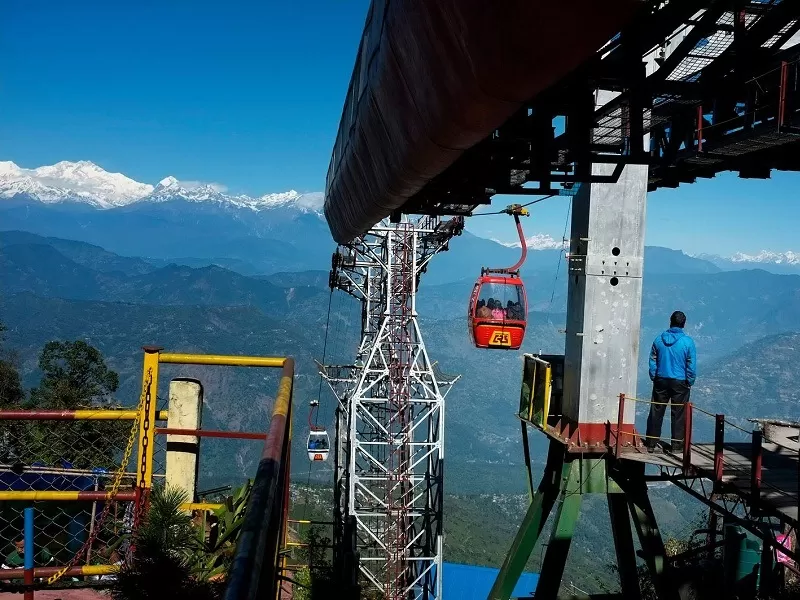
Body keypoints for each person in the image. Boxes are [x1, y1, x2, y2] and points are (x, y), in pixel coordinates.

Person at [645, 311, 697, 453]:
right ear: (683, 324)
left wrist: (654, 375)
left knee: (656, 411)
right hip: (680, 382)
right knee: (679, 413)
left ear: (670, 321)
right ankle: (677, 446)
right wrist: (690, 380)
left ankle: (651, 443)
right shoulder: (687, 342)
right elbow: (691, 364)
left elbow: (653, 359)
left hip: (661, 379)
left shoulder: (658, 340)